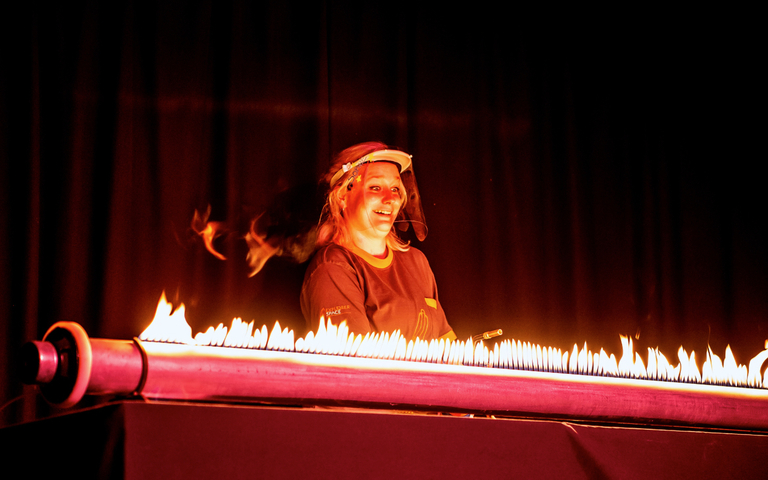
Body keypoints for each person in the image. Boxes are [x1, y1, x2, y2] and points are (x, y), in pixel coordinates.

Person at [301, 142, 457, 342]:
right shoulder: (333, 267)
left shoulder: (417, 261)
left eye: (394, 188)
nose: (389, 199)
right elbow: (355, 364)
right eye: (375, 187)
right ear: (342, 196)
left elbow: (448, 348)